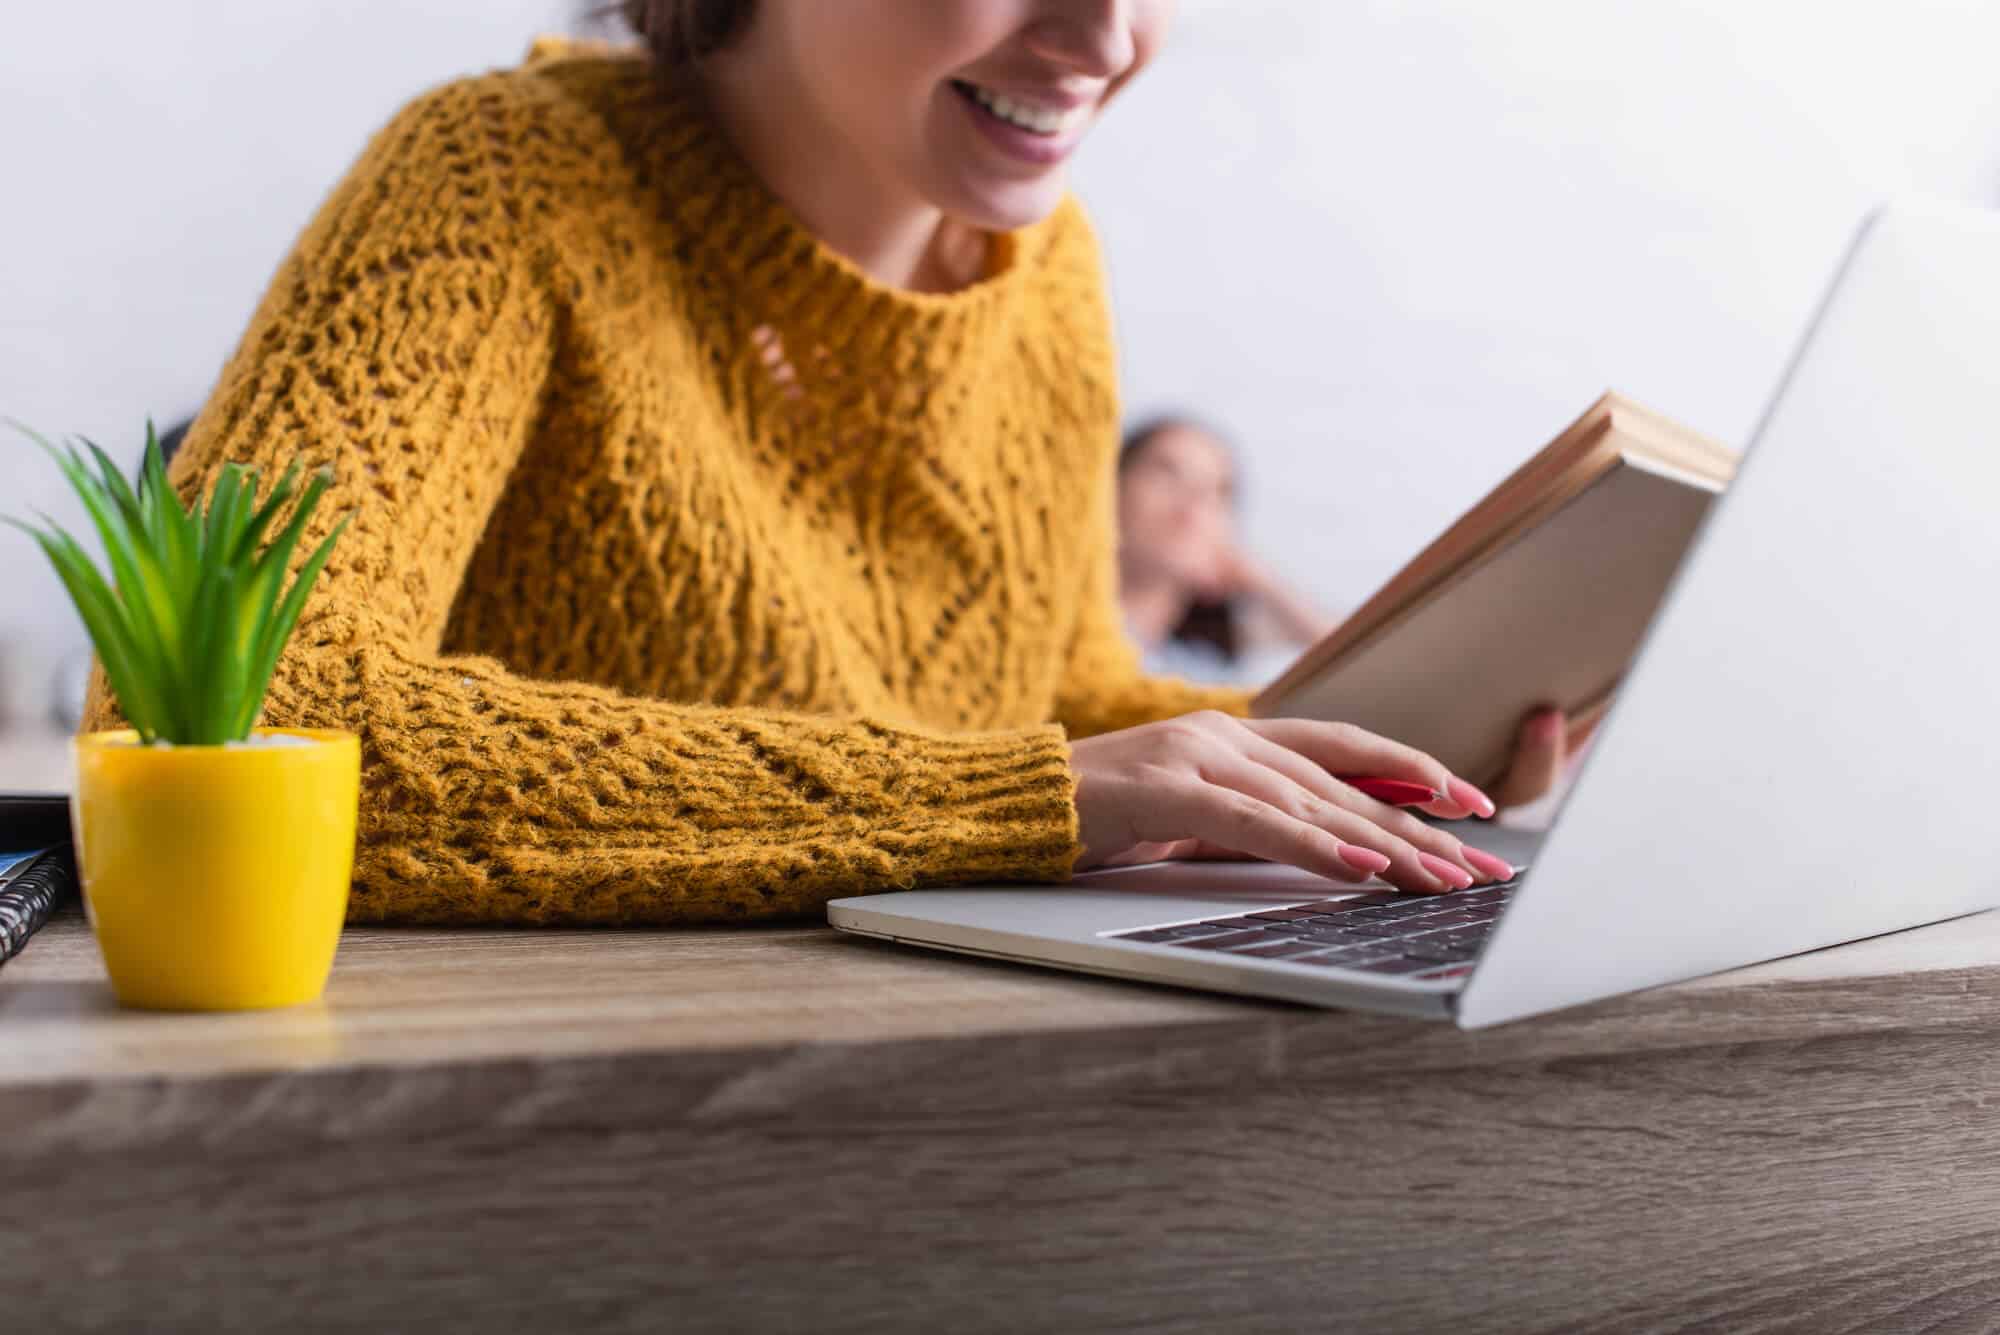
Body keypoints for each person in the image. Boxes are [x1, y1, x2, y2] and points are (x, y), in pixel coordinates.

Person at [82, 0, 1577, 926]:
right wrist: (1012, 801)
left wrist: (1383, 747)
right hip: (545, 1144)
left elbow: (1056, 704)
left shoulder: (1045, 273)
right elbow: (228, 713)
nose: (1110, 35)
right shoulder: (494, 182)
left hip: (947, 1097)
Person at [1116, 415, 1333, 687]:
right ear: (1112, 489)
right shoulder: (1065, 641)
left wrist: (1258, 579)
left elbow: (1356, 661)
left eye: (1215, 493)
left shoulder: (1199, 671)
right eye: (1167, 475)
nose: (1191, 508)